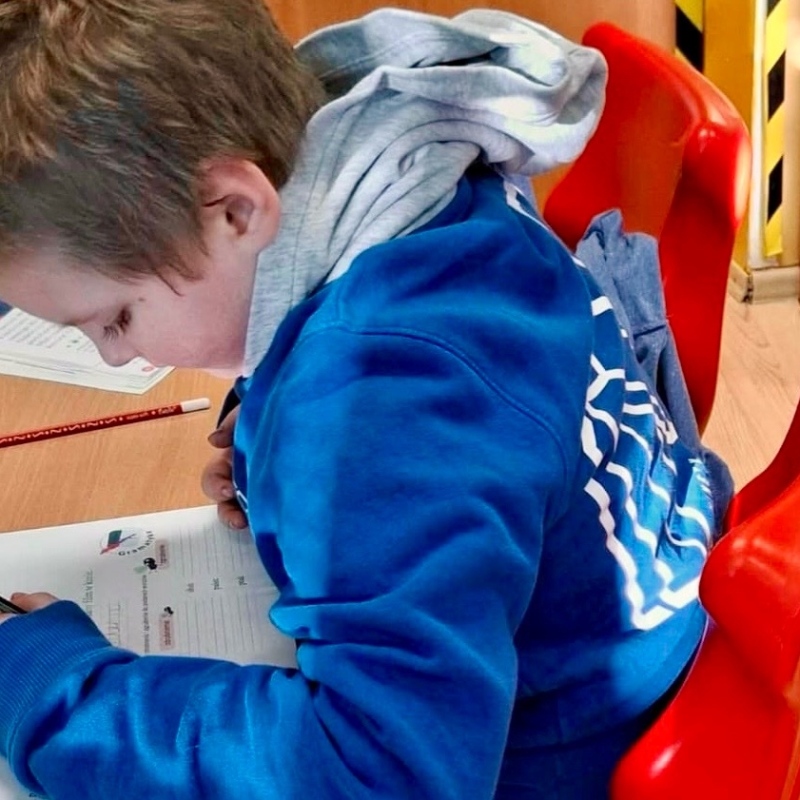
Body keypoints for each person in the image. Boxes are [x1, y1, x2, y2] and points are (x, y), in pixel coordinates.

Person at [0, 2, 728, 798]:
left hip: (573, 744)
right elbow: (479, 418)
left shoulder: (381, 407)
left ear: (235, 209)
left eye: (116, 318)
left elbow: (379, 774)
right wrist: (275, 427)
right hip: (655, 623)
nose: (115, 354)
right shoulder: (417, 183)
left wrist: (50, 688)